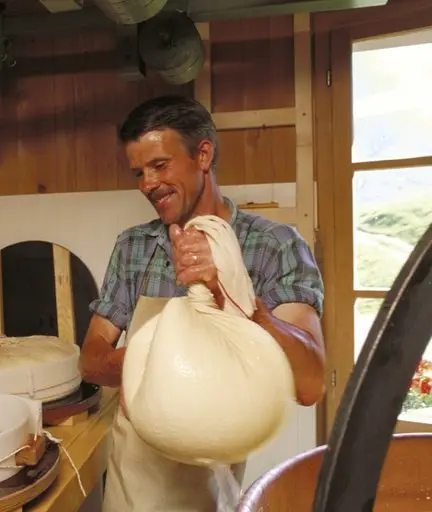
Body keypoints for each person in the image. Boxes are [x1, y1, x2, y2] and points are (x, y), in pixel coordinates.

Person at [79, 95, 326, 512]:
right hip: (130, 490)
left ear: (203, 155)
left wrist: (237, 296)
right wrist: (151, 362)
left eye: (160, 165)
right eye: (138, 172)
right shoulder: (134, 246)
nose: (147, 184)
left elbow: (310, 385)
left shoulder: (274, 246)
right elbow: (90, 361)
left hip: (212, 492)